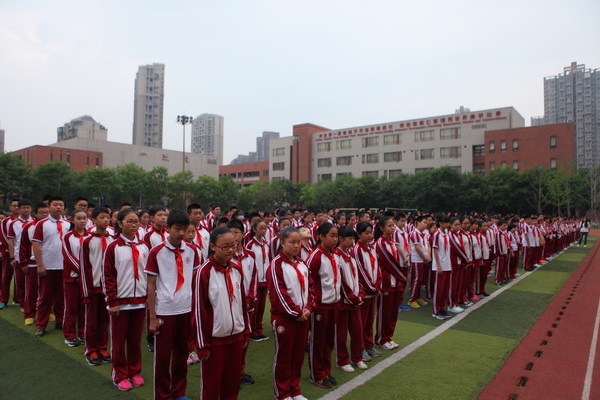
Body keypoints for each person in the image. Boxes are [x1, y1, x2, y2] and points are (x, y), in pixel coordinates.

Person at [146, 210, 200, 400]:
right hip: (165, 310)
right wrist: (152, 318)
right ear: (168, 228)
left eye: (185, 229)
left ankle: (178, 392)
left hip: (185, 309)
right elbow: (151, 285)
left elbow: (195, 280)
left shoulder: (192, 251)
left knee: (182, 354)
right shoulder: (156, 252)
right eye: (177, 228)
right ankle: (162, 395)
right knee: (162, 357)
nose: (182, 233)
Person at [194, 226, 250, 400]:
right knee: (211, 385)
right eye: (225, 247)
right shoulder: (203, 272)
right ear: (212, 247)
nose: (231, 250)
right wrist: (202, 345)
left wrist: (246, 332)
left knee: (232, 384)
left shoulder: (236, 270)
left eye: (233, 245)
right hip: (215, 341)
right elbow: (198, 310)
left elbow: (242, 304)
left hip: (236, 337)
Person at [104, 208, 150, 391]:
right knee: (118, 341)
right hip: (120, 302)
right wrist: (112, 302)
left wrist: (148, 298)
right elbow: (107, 276)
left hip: (140, 301)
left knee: (135, 340)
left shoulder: (144, 246)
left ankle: (134, 371)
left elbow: (149, 275)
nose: (134, 225)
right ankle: (120, 375)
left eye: (136, 221)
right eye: (129, 221)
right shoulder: (113, 247)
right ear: (120, 223)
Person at [268, 227, 314, 400]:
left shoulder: (302, 264)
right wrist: (296, 313)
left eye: (298, 242)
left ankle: (295, 389)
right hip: (285, 319)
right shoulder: (276, 265)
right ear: (282, 243)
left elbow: (311, 288)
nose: (296, 246)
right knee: (284, 356)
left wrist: (309, 307)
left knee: (297, 355)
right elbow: (279, 294)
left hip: (302, 317)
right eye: (292, 242)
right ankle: (282, 392)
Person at [307, 222, 340, 389]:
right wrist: (314, 302)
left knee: (329, 341)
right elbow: (309, 282)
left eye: (336, 236)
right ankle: (317, 373)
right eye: (331, 236)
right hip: (320, 306)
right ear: (321, 237)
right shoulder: (316, 257)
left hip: (334, 304)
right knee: (318, 341)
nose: (335, 239)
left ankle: (326, 370)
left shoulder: (334, 255)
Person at [81, 207, 114, 365]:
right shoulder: (88, 241)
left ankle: (102, 347)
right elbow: (84, 267)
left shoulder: (112, 240)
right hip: (93, 287)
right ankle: (91, 350)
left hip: (108, 288)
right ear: (93, 220)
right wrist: (86, 291)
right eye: (102, 217)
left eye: (107, 217)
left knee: (104, 320)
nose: (106, 220)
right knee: (91, 321)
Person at [227, 218, 257, 386]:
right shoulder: (225, 256)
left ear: (243, 235)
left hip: (247, 305)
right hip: (230, 305)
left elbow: (253, 278)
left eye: (236, 233)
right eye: (230, 233)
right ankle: (230, 372)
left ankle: (240, 369)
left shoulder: (250, 255)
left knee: (245, 337)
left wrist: (249, 298)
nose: (233, 236)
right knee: (231, 338)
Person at [32, 196, 68, 337]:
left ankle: (60, 321)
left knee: (61, 297)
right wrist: (40, 265)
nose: (58, 207)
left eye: (61, 205)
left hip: (63, 266)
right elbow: (36, 245)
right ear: (49, 207)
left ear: (64, 208)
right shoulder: (42, 224)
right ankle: (41, 325)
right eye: (55, 204)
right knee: (44, 298)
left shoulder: (68, 224)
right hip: (48, 266)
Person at [335, 225, 367, 372]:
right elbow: (341, 282)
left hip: (355, 301)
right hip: (343, 302)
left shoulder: (350, 256)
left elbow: (356, 277)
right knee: (341, 334)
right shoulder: (336, 257)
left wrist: (360, 293)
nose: (352, 241)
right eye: (349, 238)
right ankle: (342, 360)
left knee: (357, 331)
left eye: (353, 238)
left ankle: (357, 357)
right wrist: (353, 298)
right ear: (341, 239)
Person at [374, 216, 406, 350]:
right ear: (382, 228)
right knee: (384, 313)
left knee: (393, 312)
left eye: (393, 225)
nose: (392, 228)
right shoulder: (380, 244)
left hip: (395, 282)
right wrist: (402, 277)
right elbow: (390, 263)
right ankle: (381, 339)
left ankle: (388, 337)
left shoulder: (392, 243)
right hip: (386, 283)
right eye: (389, 226)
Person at [352, 221, 381, 362]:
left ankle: (369, 345)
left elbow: (377, 267)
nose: (370, 235)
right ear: (359, 234)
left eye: (371, 232)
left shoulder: (372, 248)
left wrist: (378, 284)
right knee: (361, 323)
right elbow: (361, 271)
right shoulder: (357, 249)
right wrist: (372, 287)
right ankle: (360, 348)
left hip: (373, 291)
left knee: (370, 321)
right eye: (366, 233)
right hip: (365, 292)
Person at [61, 209, 89, 347]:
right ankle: (69, 335)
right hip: (72, 278)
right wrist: (83, 272)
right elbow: (68, 258)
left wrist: (87, 274)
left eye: (84, 218)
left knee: (84, 307)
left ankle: (83, 333)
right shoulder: (67, 237)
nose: (82, 221)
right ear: (72, 220)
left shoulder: (91, 236)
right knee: (71, 308)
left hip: (87, 279)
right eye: (79, 218)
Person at [19, 203, 49, 325]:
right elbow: (23, 245)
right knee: (31, 290)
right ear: (35, 214)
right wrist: (23, 263)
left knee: (47, 291)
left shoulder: (52, 226)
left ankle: (48, 312)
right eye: (41, 213)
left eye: (46, 213)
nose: (44, 215)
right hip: (32, 263)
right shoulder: (29, 227)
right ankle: (29, 314)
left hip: (48, 263)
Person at [5, 199, 34, 309]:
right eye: (23, 208)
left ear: (31, 209)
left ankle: (32, 303)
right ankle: (22, 304)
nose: (26, 210)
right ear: (19, 209)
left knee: (33, 282)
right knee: (20, 281)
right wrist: (12, 257)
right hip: (18, 256)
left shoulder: (35, 222)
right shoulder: (13, 223)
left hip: (32, 256)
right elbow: (11, 241)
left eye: (28, 207)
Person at [245, 218, 270, 342]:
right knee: (254, 307)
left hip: (265, 279)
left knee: (261, 307)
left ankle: (259, 329)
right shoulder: (250, 245)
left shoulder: (266, 244)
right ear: (254, 230)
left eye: (265, 228)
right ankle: (252, 330)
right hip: (255, 280)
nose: (263, 231)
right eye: (261, 228)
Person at [431, 216, 452, 319]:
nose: (447, 224)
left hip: (447, 265)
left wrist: (450, 265)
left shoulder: (447, 234)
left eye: (448, 223)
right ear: (440, 223)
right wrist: (438, 266)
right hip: (440, 265)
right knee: (438, 289)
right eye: (445, 222)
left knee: (445, 289)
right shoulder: (437, 234)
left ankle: (443, 308)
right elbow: (435, 250)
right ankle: (436, 310)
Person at [407, 216, 430, 309]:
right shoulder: (414, 233)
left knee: (421, 280)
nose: (426, 224)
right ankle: (412, 299)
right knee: (417, 280)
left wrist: (428, 256)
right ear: (418, 222)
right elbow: (417, 247)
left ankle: (418, 297)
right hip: (417, 260)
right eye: (424, 222)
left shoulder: (424, 233)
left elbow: (428, 245)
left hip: (424, 259)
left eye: (426, 223)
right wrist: (424, 258)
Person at [0, 198, 19, 309]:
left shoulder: (29, 221)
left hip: (22, 254)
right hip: (8, 253)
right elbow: (4, 237)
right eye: (14, 205)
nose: (16, 208)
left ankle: (18, 299)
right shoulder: (6, 221)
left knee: (20, 278)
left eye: (18, 206)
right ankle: (3, 300)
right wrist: (12, 250)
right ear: (10, 207)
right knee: (6, 277)